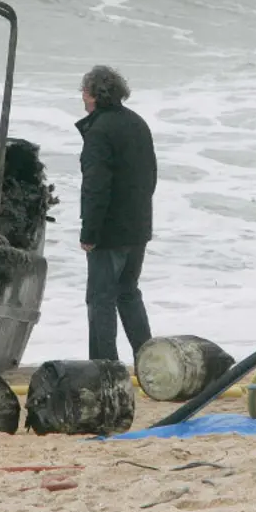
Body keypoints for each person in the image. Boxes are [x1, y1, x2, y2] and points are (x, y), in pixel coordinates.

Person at [75, 65, 157, 363]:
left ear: (94, 94)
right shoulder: (137, 123)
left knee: (100, 300)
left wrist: (89, 233)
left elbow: (96, 187)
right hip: (138, 226)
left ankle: (104, 367)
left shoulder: (98, 131)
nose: (82, 96)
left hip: (109, 233)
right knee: (128, 293)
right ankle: (150, 362)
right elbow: (151, 176)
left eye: (84, 91)